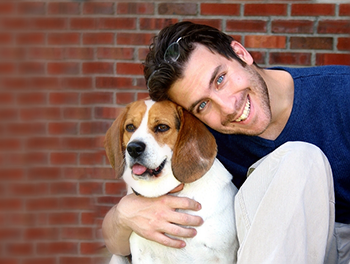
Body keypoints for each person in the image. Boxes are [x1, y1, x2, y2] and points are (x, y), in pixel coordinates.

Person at [102, 22, 350, 263]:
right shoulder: (202, 140)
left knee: (300, 158)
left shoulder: (342, 92)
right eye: (202, 104)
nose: (229, 107)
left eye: (220, 79)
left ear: (241, 53)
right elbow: (117, 244)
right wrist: (123, 216)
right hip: (264, 248)